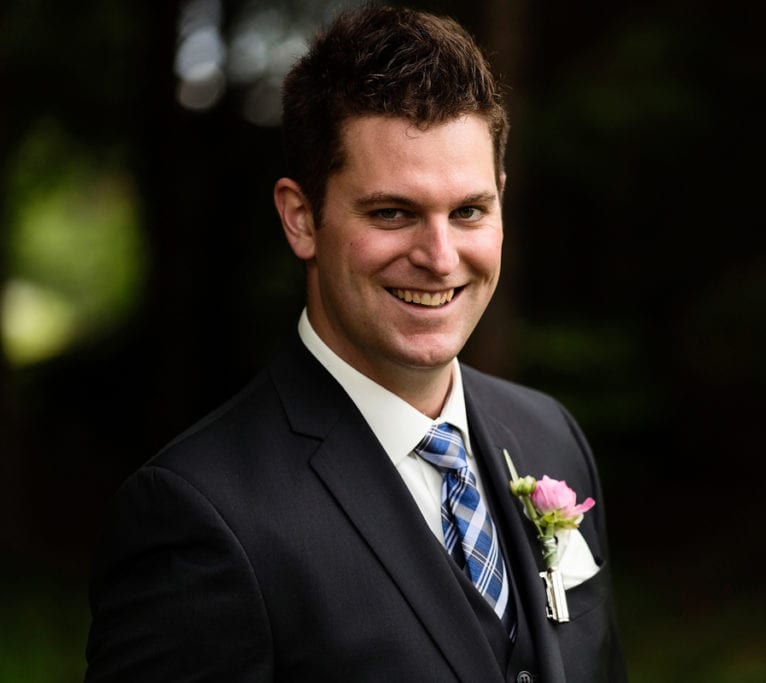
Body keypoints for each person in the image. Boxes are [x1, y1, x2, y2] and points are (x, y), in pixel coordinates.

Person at [85, 6, 626, 682]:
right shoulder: (199, 515)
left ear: (502, 203)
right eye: (392, 212)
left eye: (468, 211)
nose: (439, 255)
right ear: (301, 218)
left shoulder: (551, 436)